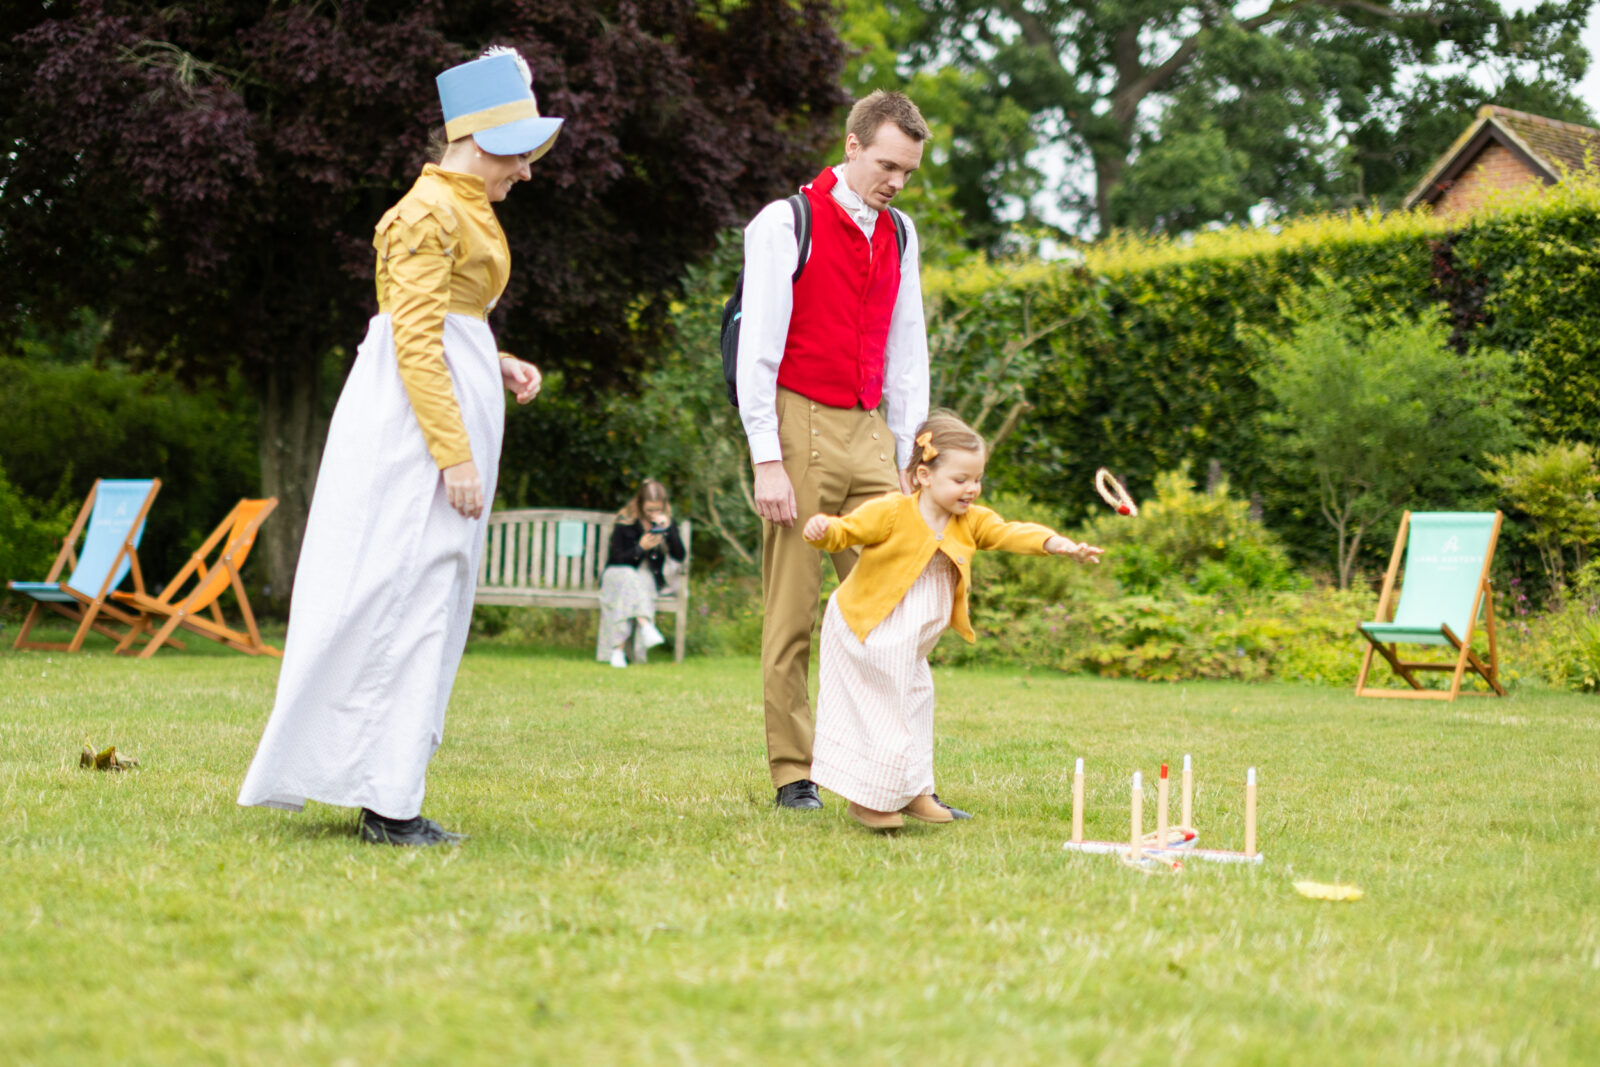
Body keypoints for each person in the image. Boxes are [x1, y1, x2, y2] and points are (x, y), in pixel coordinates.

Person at [237, 47, 563, 847]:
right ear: (484, 139)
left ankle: (389, 786)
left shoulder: (459, 207)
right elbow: (413, 341)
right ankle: (387, 803)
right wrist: (453, 455)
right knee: (409, 590)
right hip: (420, 436)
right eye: (520, 151)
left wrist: (496, 356)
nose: (527, 170)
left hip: (440, 417)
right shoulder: (427, 212)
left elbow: (447, 326)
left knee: (431, 593)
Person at [736, 90, 933, 812]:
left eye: (908, 171)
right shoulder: (784, 223)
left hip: (870, 431)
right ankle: (794, 771)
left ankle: (897, 773)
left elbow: (907, 348)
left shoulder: (902, 233)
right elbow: (756, 352)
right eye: (887, 165)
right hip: (799, 424)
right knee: (792, 613)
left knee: (893, 606)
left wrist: (916, 449)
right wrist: (767, 458)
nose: (896, 182)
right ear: (851, 146)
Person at [802, 412, 1104, 830]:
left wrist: (1059, 545)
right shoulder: (893, 511)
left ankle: (914, 792)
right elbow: (847, 531)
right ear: (924, 475)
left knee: (917, 704)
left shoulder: (971, 521)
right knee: (886, 714)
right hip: (868, 629)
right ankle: (868, 800)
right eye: (960, 479)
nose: (972, 489)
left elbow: (1011, 532)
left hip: (908, 642)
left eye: (977, 479)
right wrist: (822, 531)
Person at [596, 479, 686, 667]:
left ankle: (617, 651)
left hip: (646, 577)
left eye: (657, 509)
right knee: (629, 578)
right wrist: (639, 548)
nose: (654, 513)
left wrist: (668, 529)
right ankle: (645, 625)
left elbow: (679, 555)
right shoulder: (625, 521)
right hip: (617, 573)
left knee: (641, 582)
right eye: (650, 509)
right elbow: (616, 558)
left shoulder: (666, 522)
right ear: (640, 504)